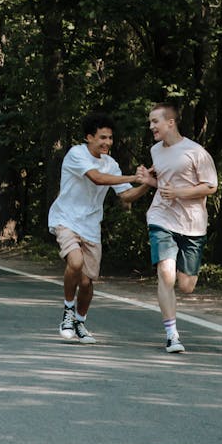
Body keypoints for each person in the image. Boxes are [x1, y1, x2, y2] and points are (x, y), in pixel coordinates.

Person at [48, 114, 148, 343]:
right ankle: (67, 312)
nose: (107, 142)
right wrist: (134, 175)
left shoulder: (111, 164)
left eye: (110, 138)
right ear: (89, 137)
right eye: (102, 137)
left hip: (91, 226)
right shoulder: (76, 154)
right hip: (66, 219)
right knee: (74, 261)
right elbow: (97, 178)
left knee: (86, 282)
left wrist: (147, 183)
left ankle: (80, 323)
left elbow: (126, 196)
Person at [137, 101, 218, 354]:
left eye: (155, 122)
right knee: (165, 274)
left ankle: (174, 324)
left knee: (186, 285)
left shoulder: (196, 152)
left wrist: (179, 192)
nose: (151, 126)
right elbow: (163, 185)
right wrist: (148, 180)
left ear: (170, 122)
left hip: (193, 224)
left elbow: (210, 186)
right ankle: (172, 335)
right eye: (150, 122)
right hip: (162, 218)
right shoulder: (155, 150)